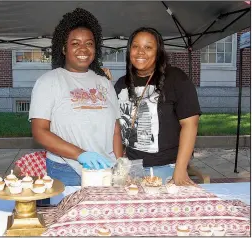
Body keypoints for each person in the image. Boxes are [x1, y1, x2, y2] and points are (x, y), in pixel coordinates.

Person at [28, 8, 123, 186]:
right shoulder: (48, 81)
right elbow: (40, 132)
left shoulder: (104, 83)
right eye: (75, 43)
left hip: (106, 169)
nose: (83, 49)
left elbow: (115, 130)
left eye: (89, 43)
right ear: (64, 48)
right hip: (67, 169)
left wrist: (120, 164)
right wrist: (81, 154)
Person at [114, 27, 201, 186]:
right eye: (135, 46)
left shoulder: (176, 79)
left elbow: (190, 124)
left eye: (148, 47)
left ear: (158, 52)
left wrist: (180, 170)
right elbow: (117, 129)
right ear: (129, 51)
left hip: (167, 169)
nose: (140, 52)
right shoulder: (121, 84)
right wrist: (121, 164)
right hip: (132, 169)